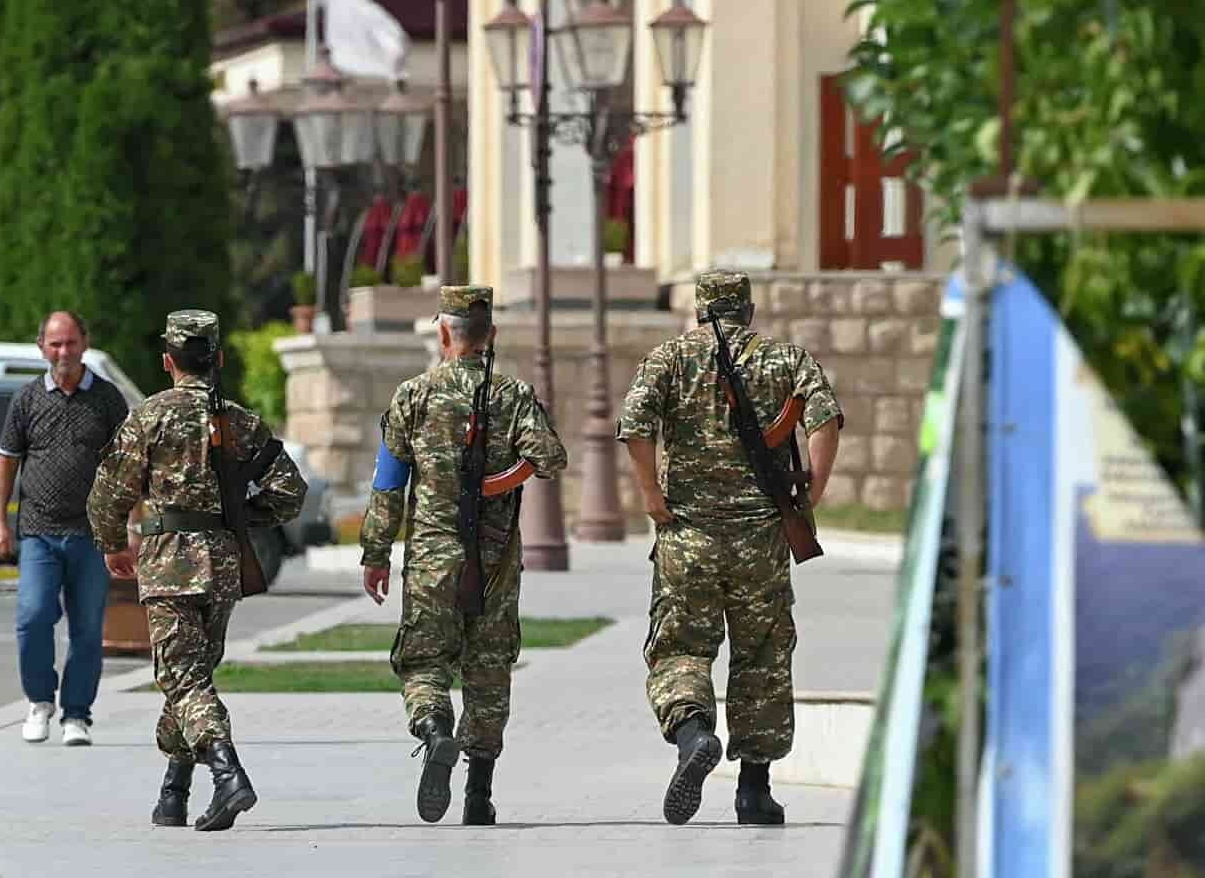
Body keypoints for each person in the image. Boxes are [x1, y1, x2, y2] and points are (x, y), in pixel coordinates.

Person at [617, 269, 843, 827]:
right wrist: (814, 486)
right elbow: (824, 417)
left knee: (681, 650)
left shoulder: (668, 359)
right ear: (747, 309)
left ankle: (694, 732)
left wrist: (651, 494)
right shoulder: (783, 358)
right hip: (760, 539)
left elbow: (634, 425)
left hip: (686, 535)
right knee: (762, 657)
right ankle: (754, 792)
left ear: (698, 309)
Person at [86, 309, 307, 831]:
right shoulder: (241, 422)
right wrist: (238, 518)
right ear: (219, 360)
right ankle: (174, 793)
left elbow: (108, 494)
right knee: (192, 677)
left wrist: (112, 543)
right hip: (223, 565)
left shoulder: (149, 416)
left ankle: (228, 774)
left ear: (168, 361)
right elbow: (289, 493)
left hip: (168, 565)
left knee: (181, 680)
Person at [358, 286, 569, 826]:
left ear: (444, 333)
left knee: (425, 662)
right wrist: (505, 483)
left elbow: (388, 484)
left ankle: (433, 731)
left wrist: (376, 554)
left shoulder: (412, 396)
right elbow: (550, 456)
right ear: (490, 335)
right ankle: (479, 794)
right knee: (489, 669)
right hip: (495, 560)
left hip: (432, 555)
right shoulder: (512, 394)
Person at [0, 311, 132, 747]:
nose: (63, 352)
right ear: (41, 348)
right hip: (38, 532)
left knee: (88, 629)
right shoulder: (27, 400)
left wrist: (131, 527)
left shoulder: (108, 400)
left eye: (70, 342)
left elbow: (127, 468)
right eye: (55, 344)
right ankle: (39, 701)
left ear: (84, 343)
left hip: (93, 536)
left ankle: (77, 715)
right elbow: (6, 463)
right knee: (32, 618)